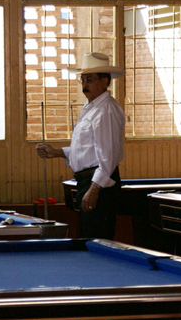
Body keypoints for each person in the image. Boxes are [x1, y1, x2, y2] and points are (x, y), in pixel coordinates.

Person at [35, 52, 125, 239]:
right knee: (88, 238)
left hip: (99, 185)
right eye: (82, 79)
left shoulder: (105, 110)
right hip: (88, 182)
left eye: (90, 80)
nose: (84, 85)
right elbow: (88, 149)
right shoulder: (91, 107)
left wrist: (95, 188)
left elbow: (107, 157)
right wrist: (57, 152)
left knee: (97, 240)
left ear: (104, 81)